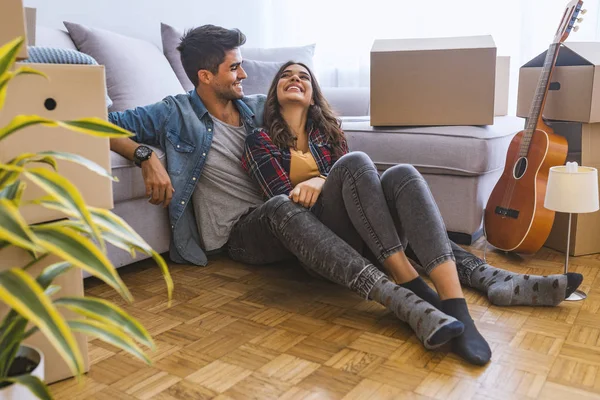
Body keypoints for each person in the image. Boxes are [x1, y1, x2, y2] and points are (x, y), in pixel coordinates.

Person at [107, 25, 583, 366]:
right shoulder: (173, 112)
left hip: (302, 215)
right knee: (284, 203)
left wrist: (323, 178)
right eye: (235, 68)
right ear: (206, 76)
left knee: (396, 175)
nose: (245, 76)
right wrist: (146, 153)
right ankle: (405, 301)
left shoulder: (257, 108)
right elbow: (98, 122)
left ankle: (481, 279)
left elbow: (312, 128)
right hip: (242, 234)